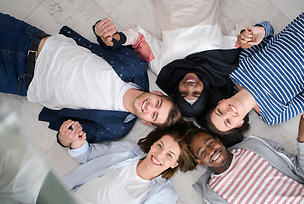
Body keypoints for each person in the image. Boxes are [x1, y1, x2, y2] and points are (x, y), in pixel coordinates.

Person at [0, 13, 182, 144]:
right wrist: (100, 29)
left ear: (147, 122)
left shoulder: (116, 128)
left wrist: (66, 139)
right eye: (157, 103)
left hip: (19, 79)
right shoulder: (135, 66)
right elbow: (106, 41)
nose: (149, 107)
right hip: (31, 39)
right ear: (157, 93)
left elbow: (69, 137)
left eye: (154, 114)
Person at [205, 0, 304, 136]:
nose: (228, 113)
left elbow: (269, 30)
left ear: (221, 101)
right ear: (239, 124)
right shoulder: (273, 116)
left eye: (220, 111)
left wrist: (260, 30)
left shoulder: (237, 69)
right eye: (228, 122)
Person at [58, 120, 205, 204]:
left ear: (174, 164)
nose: (159, 154)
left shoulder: (164, 195)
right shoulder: (127, 150)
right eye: (160, 145)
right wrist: (74, 140)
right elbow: (87, 155)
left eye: (170, 155)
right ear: (153, 143)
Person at [95, 0, 245, 117]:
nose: (190, 87)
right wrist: (247, 34)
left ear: (177, 92)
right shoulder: (222, 61)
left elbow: (140, 39)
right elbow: (243, 30)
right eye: (196, 93)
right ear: (204, 90)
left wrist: (119, 38)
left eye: (184, 93)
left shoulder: (165, 69)